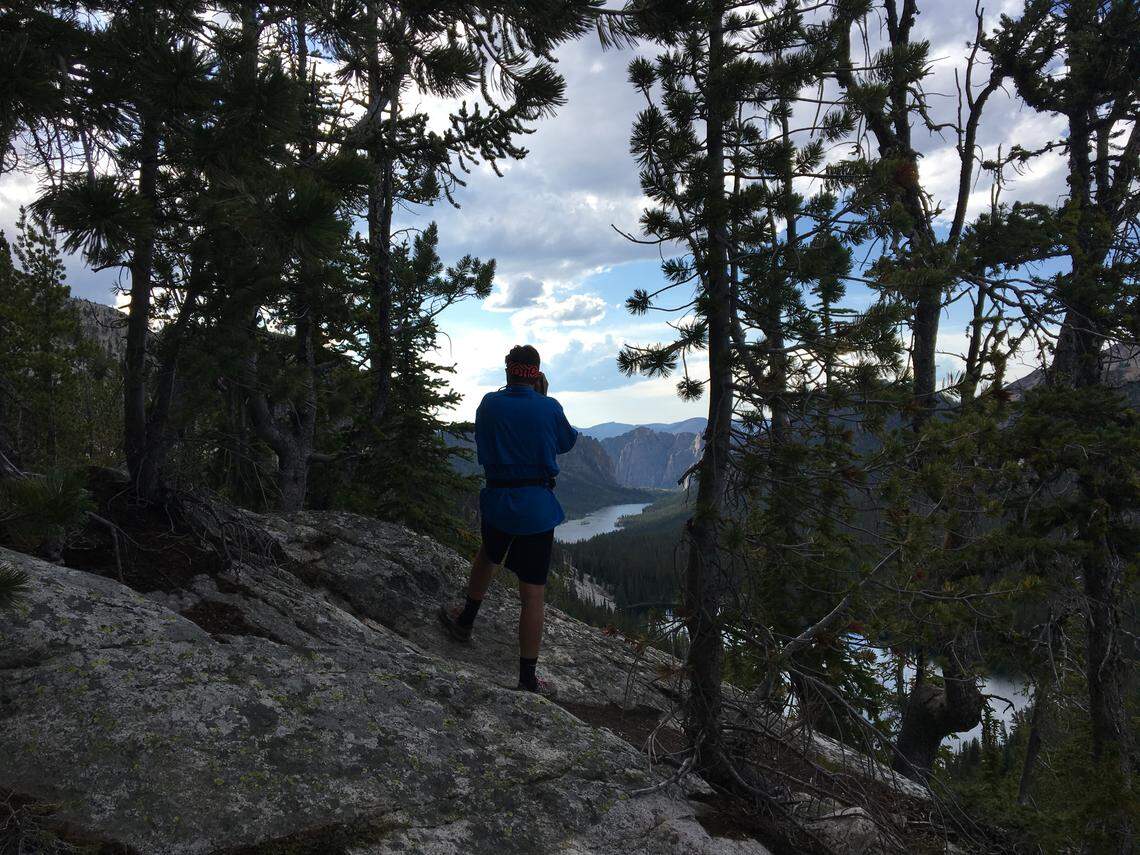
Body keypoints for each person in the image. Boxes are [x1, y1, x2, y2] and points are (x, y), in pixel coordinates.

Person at [438, 344, 578, 696]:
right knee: (532, 594)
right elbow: (567, 442)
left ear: (508, 372)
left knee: (488, 553)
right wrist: (543, 399)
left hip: (499, 502)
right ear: (537, 374)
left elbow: (483, 440)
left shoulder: (490, 403)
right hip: (535, 509)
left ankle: (465, 620)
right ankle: (527, 679)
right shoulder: (549, 407)